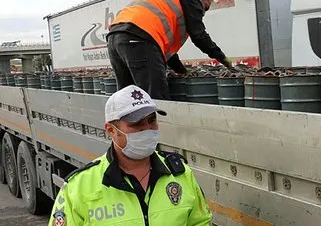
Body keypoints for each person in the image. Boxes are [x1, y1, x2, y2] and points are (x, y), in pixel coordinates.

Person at [48, 85, 213, 226]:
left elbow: (201, 222)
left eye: (151, 120)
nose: (147, 129)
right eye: (137, 124)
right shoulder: (79, 187)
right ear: (111, 130)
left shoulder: (180, 175)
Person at [106, 0, 233, 100]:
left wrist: (181, 70)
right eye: (204, 8)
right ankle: (160, 123)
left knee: (128, 97)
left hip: (115, 37)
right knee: (156, 96)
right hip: (138, 38)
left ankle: (125, 124)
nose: (202, 13)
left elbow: (167, 53)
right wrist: (223, 58)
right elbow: (199, 36)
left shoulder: (170, 0)